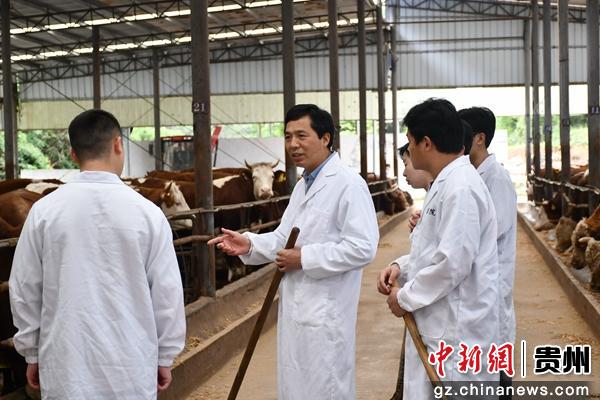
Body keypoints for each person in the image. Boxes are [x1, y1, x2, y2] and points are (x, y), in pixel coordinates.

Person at [9, 110, 186, 399]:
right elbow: (167, 292)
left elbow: (24, 287)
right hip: (131, 367)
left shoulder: (44, 212)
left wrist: (31, 351)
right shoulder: (148, 214)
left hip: (66, 368)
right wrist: (165, 355)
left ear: (73, 154)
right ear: (118, 144)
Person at [208, 104, 379, 400]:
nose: (293, 144)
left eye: (301, 135)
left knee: (325, 388)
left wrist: (304, 258)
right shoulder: (303, 186)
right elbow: (283, 239)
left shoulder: (349, 184)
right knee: (297, 385)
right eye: (288, 137)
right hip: (298, 310)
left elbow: (363, 247)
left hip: (326, 314)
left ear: (325, 138)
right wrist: (249, 244)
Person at [379, 99, 500, 399]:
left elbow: (452, 263)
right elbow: (434, 250)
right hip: (441, 328)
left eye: (410, 142)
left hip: (456, 335)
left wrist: (405, 297)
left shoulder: (461, 187)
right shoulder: (446, 183)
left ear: (426, 143)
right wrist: (400, 267)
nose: (409, 150)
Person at [460, 106, 517, 398]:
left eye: (463, 133)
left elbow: (490, 231)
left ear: (479, 138)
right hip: (478, 288)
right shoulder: (472, 175)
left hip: (493, 287)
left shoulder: (497, 179)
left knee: (497, 370)